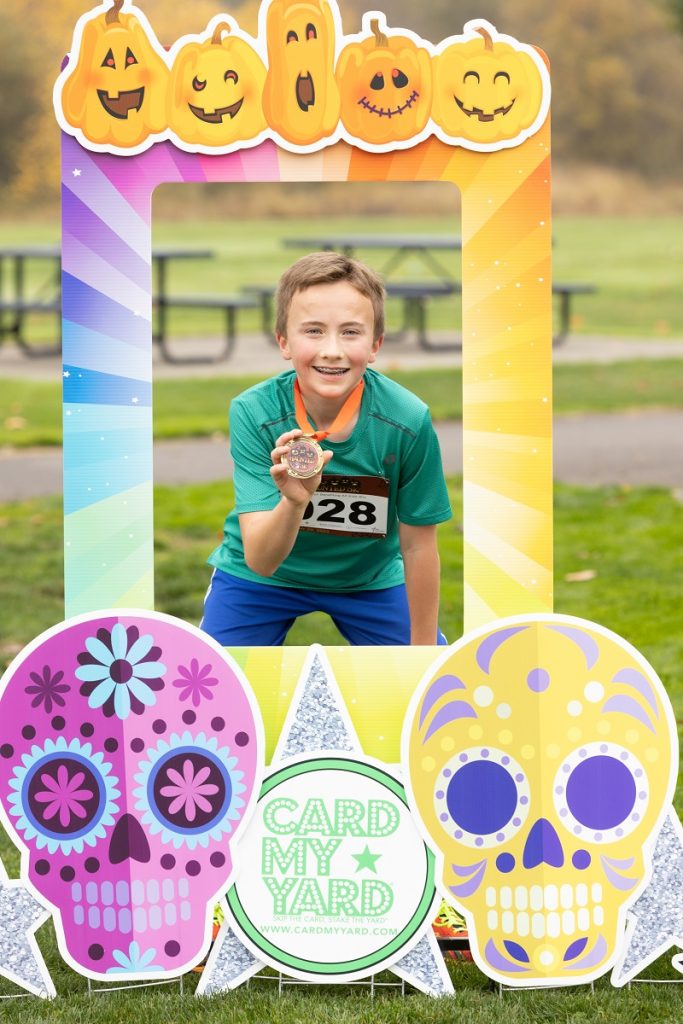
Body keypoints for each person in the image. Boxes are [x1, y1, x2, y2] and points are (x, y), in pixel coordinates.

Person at [200, 251, 452, 647]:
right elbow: (261, 562)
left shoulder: (407, 419)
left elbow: (419, 544)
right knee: (217, 687)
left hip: (368, 579)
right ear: (284, 341)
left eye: (351, 332)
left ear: (375, 344)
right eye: (313, 331)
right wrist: (295, 502)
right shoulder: (254, 412)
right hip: (260, 579)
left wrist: (421, 653)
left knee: (425, 693)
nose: (332, 349)